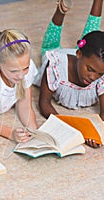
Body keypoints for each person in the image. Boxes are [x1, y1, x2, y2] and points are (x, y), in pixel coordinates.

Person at [33, 0, 104, 148]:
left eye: (99, 74)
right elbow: (44, 103)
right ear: (78, 54)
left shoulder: (99, 70)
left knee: (92, 36)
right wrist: (65, 126)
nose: (93, 78)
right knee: (50, 45)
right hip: (65, 58)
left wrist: (95, 133)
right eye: (90, 70)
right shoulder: (55, 65)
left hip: (84, 57)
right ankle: (61, 9)